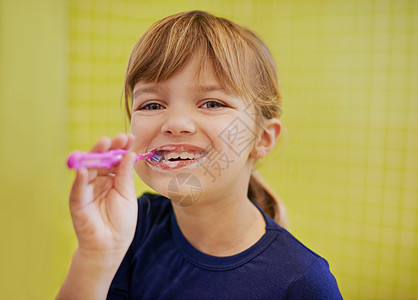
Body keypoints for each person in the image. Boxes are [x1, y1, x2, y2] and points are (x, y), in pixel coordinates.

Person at [56, 10, 342, 299]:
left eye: (212, 103)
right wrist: (95, 256)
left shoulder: (303, 282)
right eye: (152, 105)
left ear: (262, 138)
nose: (176, 124)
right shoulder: (132, 229)